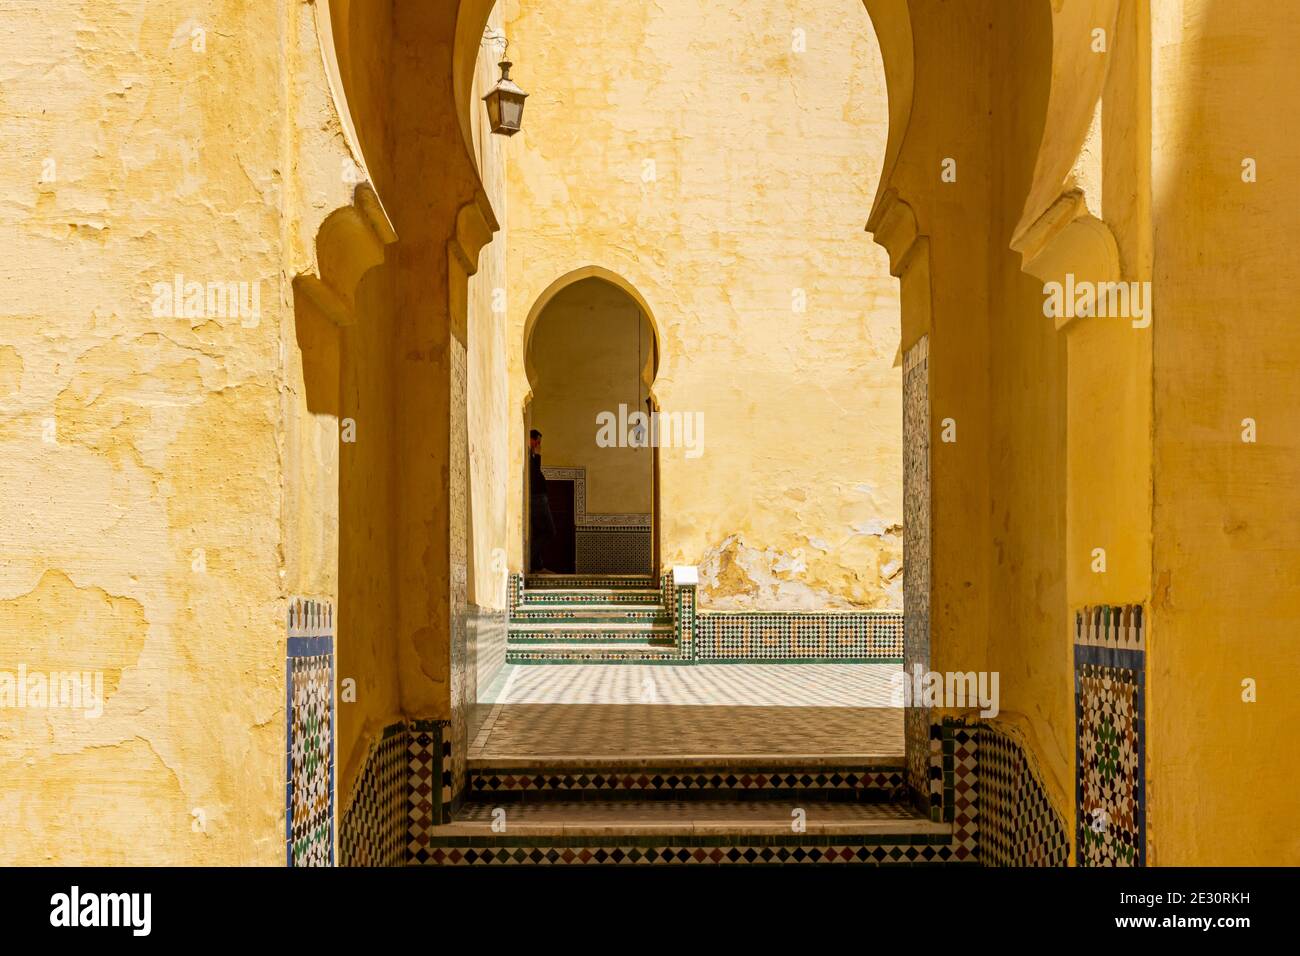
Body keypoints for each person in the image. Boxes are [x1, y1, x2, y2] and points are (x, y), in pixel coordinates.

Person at [528, 429, 557, 573]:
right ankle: (529, 560)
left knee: (540, 532)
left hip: (539, 498)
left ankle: (536, 564)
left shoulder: (531, 455)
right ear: (530, 440)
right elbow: (534, 473)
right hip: (537, 499)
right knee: (549, 531)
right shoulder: (529, 456)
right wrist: (537, 455)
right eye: (536, 441)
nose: (538, 445)